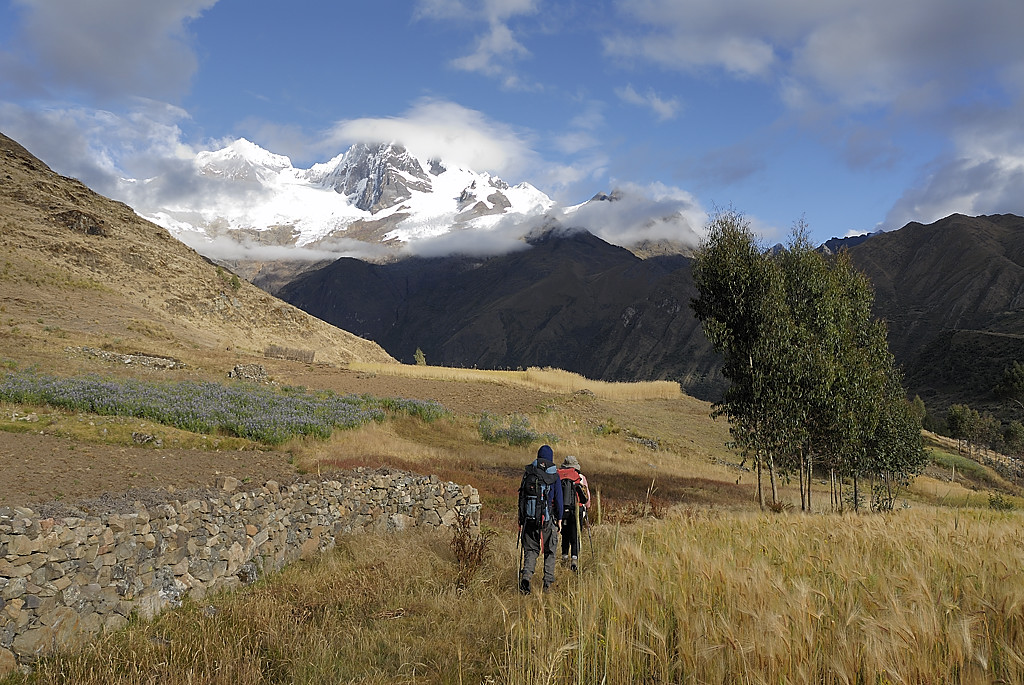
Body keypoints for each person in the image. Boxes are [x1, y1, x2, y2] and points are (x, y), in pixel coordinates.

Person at [518, 444, 563, 594]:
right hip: (547, 519)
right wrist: (560, 519)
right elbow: (558, 500)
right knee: (550, 550)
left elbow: (521, 497)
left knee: (531, 550)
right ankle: (548, 583)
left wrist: (521, 519)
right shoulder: (554, 474)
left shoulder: (529, 472)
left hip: (529, 519)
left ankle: (527, 576)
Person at [557, 455, 591, 572]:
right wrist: (586, 507)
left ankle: (564, 557)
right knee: (575, 534)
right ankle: (574, 560)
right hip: (577, 510)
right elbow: (587, 500)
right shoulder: (580, 477)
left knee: (565, 534)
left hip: (563, 510)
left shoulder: (559, 476)